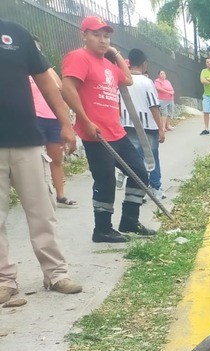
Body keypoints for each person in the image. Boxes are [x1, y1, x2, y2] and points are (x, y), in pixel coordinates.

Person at [0, 18, 84, 307]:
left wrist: (65, 123)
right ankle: (4, 281)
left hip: (26, 140)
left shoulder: (15, 32)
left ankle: (56, 274)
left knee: (42, 212)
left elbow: (46, 82)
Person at [60, 16, 157, 243]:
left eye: (106, 36)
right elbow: (67, 88)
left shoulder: (108, 64)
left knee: (140, 173)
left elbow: (128, 80)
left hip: (117, 131)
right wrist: (85, 121)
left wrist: (114, 55)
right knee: (105, 181)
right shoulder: (78, 57)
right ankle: (102, 229)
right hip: (96, 134)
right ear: (83, 35)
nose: (102, 40)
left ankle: (129, 221)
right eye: (96, 35)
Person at [28, 37, 76, 208]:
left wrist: (68, 122)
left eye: (38, 50)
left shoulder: (48, 70)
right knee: (35, 161)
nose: (36, 53)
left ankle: (60, 196)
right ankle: (38, 197)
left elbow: (62, 91)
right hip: (34, 119)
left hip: (54, 119)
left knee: (56, 159)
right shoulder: (21, 71)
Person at [120, 48, 166, 200]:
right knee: (152, 157)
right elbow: (154, 106)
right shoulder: (147, 82)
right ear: (144, 64)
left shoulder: (122, 83)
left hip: (128, 125)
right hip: (148, 127)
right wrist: (161, 128)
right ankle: (156, 188)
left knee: (135, 159)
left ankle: (140, 189)